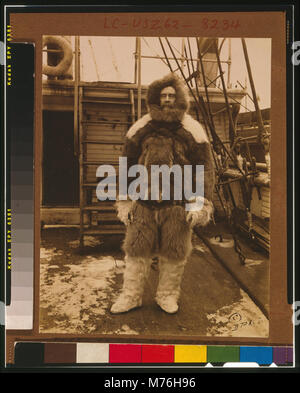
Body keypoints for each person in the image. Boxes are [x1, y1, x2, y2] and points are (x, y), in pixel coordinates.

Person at [110, 73, 215, 314]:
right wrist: (125, 200)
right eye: (163, 96)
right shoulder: (141, 127)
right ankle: (131, 296)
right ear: (156, 99)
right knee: (136, 253)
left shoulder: (193, 130)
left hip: (177, 204)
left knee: (174, 254)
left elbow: (204, 170)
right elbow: (127, 165)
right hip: (144, 204)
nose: (167, 100)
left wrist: (199, 203)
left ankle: (167, 296)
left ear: (179, 98)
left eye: (171, 95)